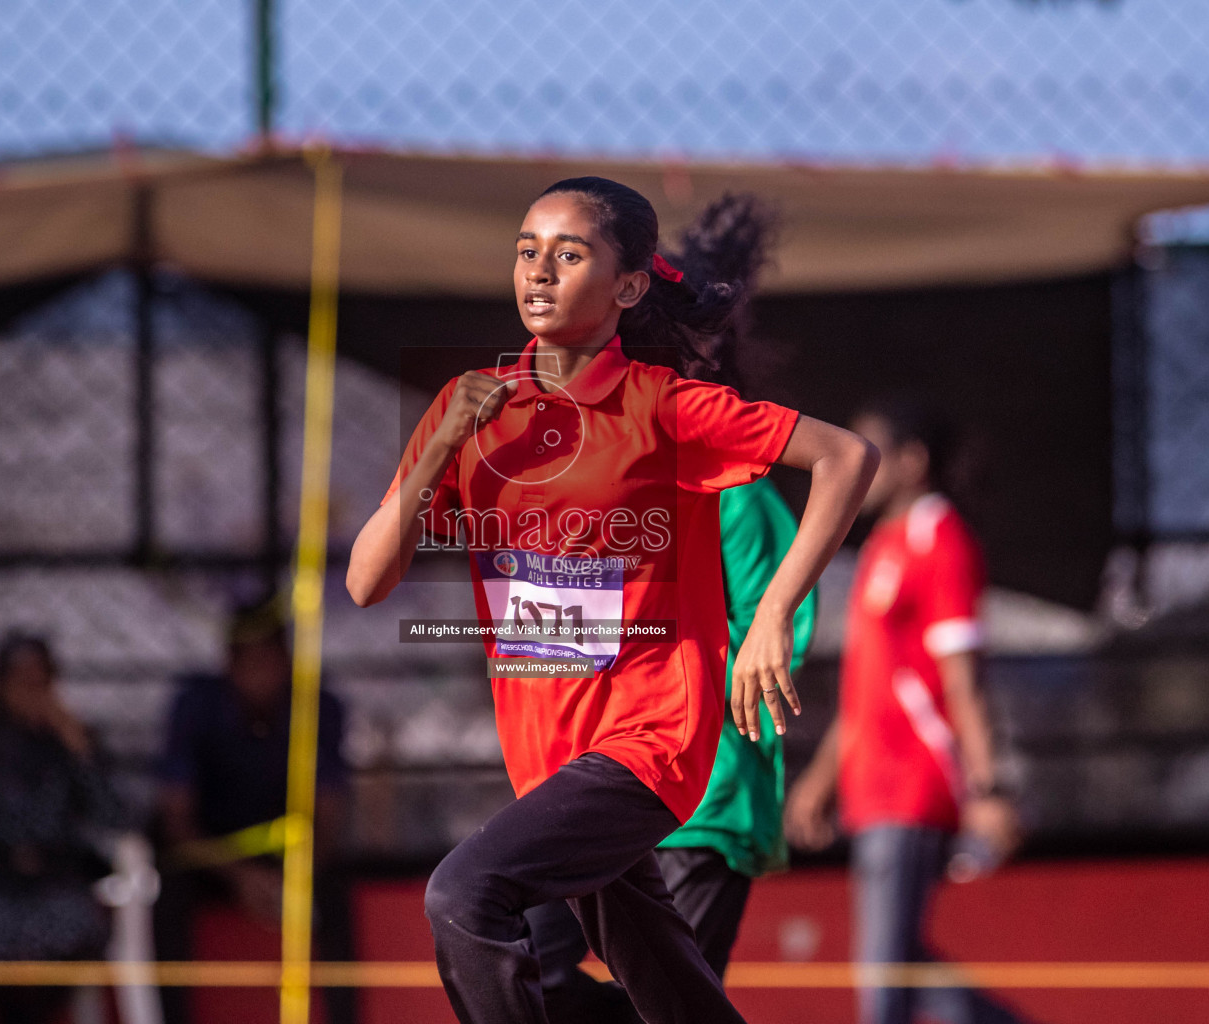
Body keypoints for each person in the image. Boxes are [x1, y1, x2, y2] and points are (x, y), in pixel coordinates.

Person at [347, 176, 878, 1024]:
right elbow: (367, 581)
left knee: (465, 897)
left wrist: (774, 613)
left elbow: (845, 457)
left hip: (650, 741)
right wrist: (445, 440)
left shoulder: (664, 407)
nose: (539, 271)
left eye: (569, 253)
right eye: (527, 251)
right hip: (549, 757)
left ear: (629, 286)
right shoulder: (468, 407)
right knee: (669, 996)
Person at [522, 195, 819, 1024]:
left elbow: (774, 631)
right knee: (519, 956)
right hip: (606, 780)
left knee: (660, 1002)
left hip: (700, 794)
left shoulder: (735, 499)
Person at [785, 398, 1025, 1024]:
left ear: (913, 462)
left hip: (913, 786)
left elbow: (963, 682)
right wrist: (822, 779)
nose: (857, 467)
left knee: (884, 981)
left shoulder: (942, 540)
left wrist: (989, 788)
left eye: (873, 452)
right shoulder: (883, 547)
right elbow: (871, 686)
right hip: (871, 789)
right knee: (896, 963)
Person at [153, 596, 354, 1024]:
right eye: (248, 661)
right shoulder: (194, 706)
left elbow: (330, 817)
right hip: (212, 858)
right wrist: (239, 874)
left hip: (289, 858)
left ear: (287, 661)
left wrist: (293, 878)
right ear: (228, 663)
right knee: (165, 894)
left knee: (335, 898)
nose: (259, 673)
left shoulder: (318, 707)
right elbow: (175, 821)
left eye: (269, 659)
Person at [0, 631, 127, 1024]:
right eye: (20, 678)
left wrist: (80, 750)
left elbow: (116, 819)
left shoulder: (75, 743)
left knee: (69, 936)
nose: (31, 690)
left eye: (40, 679)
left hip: (59, 885)